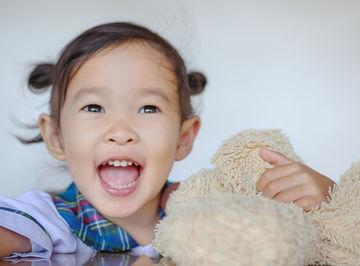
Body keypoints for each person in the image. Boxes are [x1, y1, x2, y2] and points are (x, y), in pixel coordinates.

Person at [0, 21, 334, 259]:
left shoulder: (210, 211)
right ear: (56, 136)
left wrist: (324, 198)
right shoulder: (47, 221)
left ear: (183, 138)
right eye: (94, 107)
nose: (120, 131)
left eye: (148, 108)